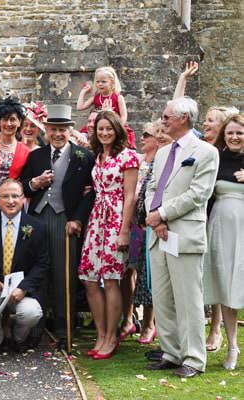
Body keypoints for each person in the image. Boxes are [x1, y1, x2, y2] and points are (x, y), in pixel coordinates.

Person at [144, 97, 219, 378]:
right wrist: (155, 217)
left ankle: (194, 359)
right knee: (162, 297)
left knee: (188, 298)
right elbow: (152, 187)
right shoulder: (163, 153)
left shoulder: (206, 152)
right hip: (159, 233)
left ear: (184, 118)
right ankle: (171, 352)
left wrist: (163, 214)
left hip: (185, 233)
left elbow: (199, 194)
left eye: (166, 117)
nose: (162, 121)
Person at [171, 61, 238, 350]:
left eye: (212, 119)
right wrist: (183, 79)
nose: (206, 123)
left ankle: (215, 330)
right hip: (205, 214)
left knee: (224, 274)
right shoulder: (202, 145)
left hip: (225, 216)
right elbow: (177, 111)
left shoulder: (227, 148)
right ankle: (205, 330)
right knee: (210, 274)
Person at [19, 104, 95, 349]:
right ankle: (36, 330)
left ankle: (64, 331)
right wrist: (35, 182)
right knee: (38, 273)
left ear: (70, 131)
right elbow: (22, 186)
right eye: (53, 129)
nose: (58, 134)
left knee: (65, 277)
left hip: (66, 220)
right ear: (47, 130)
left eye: (62, 129)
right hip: (38, 220)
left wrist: (78, 220)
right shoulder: (36, 156)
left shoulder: (84, 157)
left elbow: (90, 194)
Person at [78, 111, 139, 360]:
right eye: (100, 129)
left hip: (116, 221)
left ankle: (112, 336)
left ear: (118, 130)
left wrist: (124, 230)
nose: (104, 133)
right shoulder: (97, 157)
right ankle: (101, 333)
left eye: (109, 129)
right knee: (89, 278)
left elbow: (130, 196)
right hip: (96, 220)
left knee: (112, 279)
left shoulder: (128, 157)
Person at [0, 179, 50, 353]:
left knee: (31, 313)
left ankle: (17, 338)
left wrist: (23, 288)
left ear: (23, 199)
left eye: (15, 196)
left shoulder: (37, 227)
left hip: (22, 290)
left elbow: (43, 264)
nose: (10, 201)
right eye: (5, 196)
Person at [203, 114, 244, 370]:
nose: (235, 137)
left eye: (239, 133)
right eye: (230, 133)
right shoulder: (215, 159)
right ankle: (232, 346)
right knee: (226, 287)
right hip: (220, 228)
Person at [129, 121, 173, 346]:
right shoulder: (138, 160)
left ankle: (150, 324)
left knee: (150, 275)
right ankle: (129, 319)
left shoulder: (164, 161)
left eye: (148, 134)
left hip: (154, 223)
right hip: (136, 223)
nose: (142, 137)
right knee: (133, 271)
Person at [76, 66, 135, 147]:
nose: (100, 84)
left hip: (115, 125)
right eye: (97, 82)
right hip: (98, 126)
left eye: (103, 82)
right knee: (81, 136)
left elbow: (124, 116)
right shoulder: (96, 97)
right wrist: (83, 92)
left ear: (112, 82)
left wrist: (118, 127)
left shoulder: (118, 97)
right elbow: (80, 107)